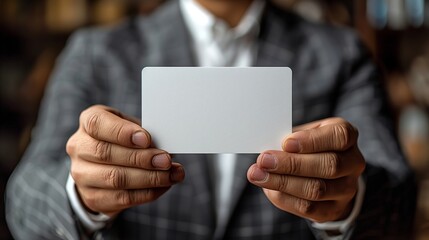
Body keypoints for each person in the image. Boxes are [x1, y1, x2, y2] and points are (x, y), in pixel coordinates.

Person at [6, 0, 416, 239]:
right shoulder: (96, 52)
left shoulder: (341, 52)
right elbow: (24, 201)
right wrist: (80, 195)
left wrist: (347, 199)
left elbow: (398, 199)